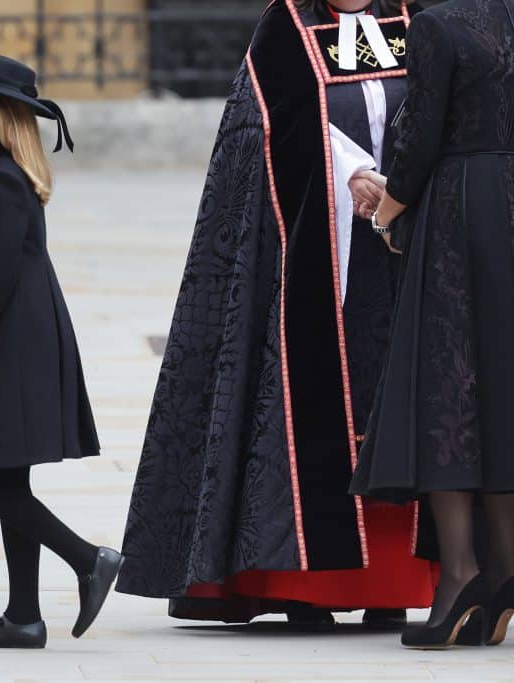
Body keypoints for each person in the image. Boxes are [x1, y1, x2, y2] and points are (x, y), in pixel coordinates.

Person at [117, 0, 437, 629]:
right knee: (310, 401)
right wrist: (351, 174)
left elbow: (440, 110)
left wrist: (402, 182)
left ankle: (392, 583)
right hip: (317, 253)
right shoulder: (287, 30)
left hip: (407, 247)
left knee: (402, 404)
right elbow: (270, 134)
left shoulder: (414, 18)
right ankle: (303, 586)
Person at [0, 52, 121, 649]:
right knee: (8, 476)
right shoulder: (3, 173)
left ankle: (88, 559)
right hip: (23, 337)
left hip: (13, 342)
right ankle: (23, 617)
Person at [350, 0, 514, 650]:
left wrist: (386, 214)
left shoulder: (434, 25)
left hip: (460, 207)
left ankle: (460, 577)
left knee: (449, 385)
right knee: (502, 383)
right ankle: (503, 567)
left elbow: (419, 139)